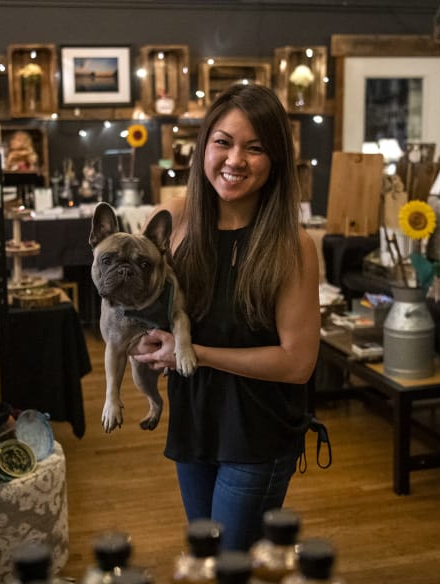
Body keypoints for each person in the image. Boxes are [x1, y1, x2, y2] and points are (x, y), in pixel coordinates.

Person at [131, 83, 321, 551]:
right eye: (224, 142)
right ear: (203, 147)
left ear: (275, 160)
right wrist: (142, 338)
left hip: (257, 433)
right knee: (208, 558)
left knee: (230, 562)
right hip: (194, 423)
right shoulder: (173, 222)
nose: (235, 160)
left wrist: (194, 353)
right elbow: (141, 306)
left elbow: (297, 363)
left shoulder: (291, 245)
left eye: (255, 149)